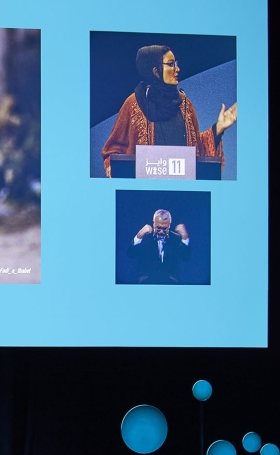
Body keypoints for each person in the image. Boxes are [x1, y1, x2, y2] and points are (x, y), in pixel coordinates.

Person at [101, 45, 237, 177]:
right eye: (171, 64)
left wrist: (218, 128)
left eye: (175, 64)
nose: (177, 69)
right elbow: (112, 150)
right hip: (144, 192)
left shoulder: (185, 104)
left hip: (181, 190)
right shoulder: (133, 104)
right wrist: (117, 170)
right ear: (155, 71)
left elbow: (196, 149)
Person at [126, 208, 191, 284]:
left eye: (165, 228)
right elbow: (130, 254)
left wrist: (185, 238)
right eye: (158, 228)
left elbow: (185, 258)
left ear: (169, 225)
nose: (161, 231)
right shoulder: (144, 236)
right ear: (154, 223)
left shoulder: (175, 238)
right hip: (146, 279)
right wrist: (139, 235)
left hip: (170, 280)